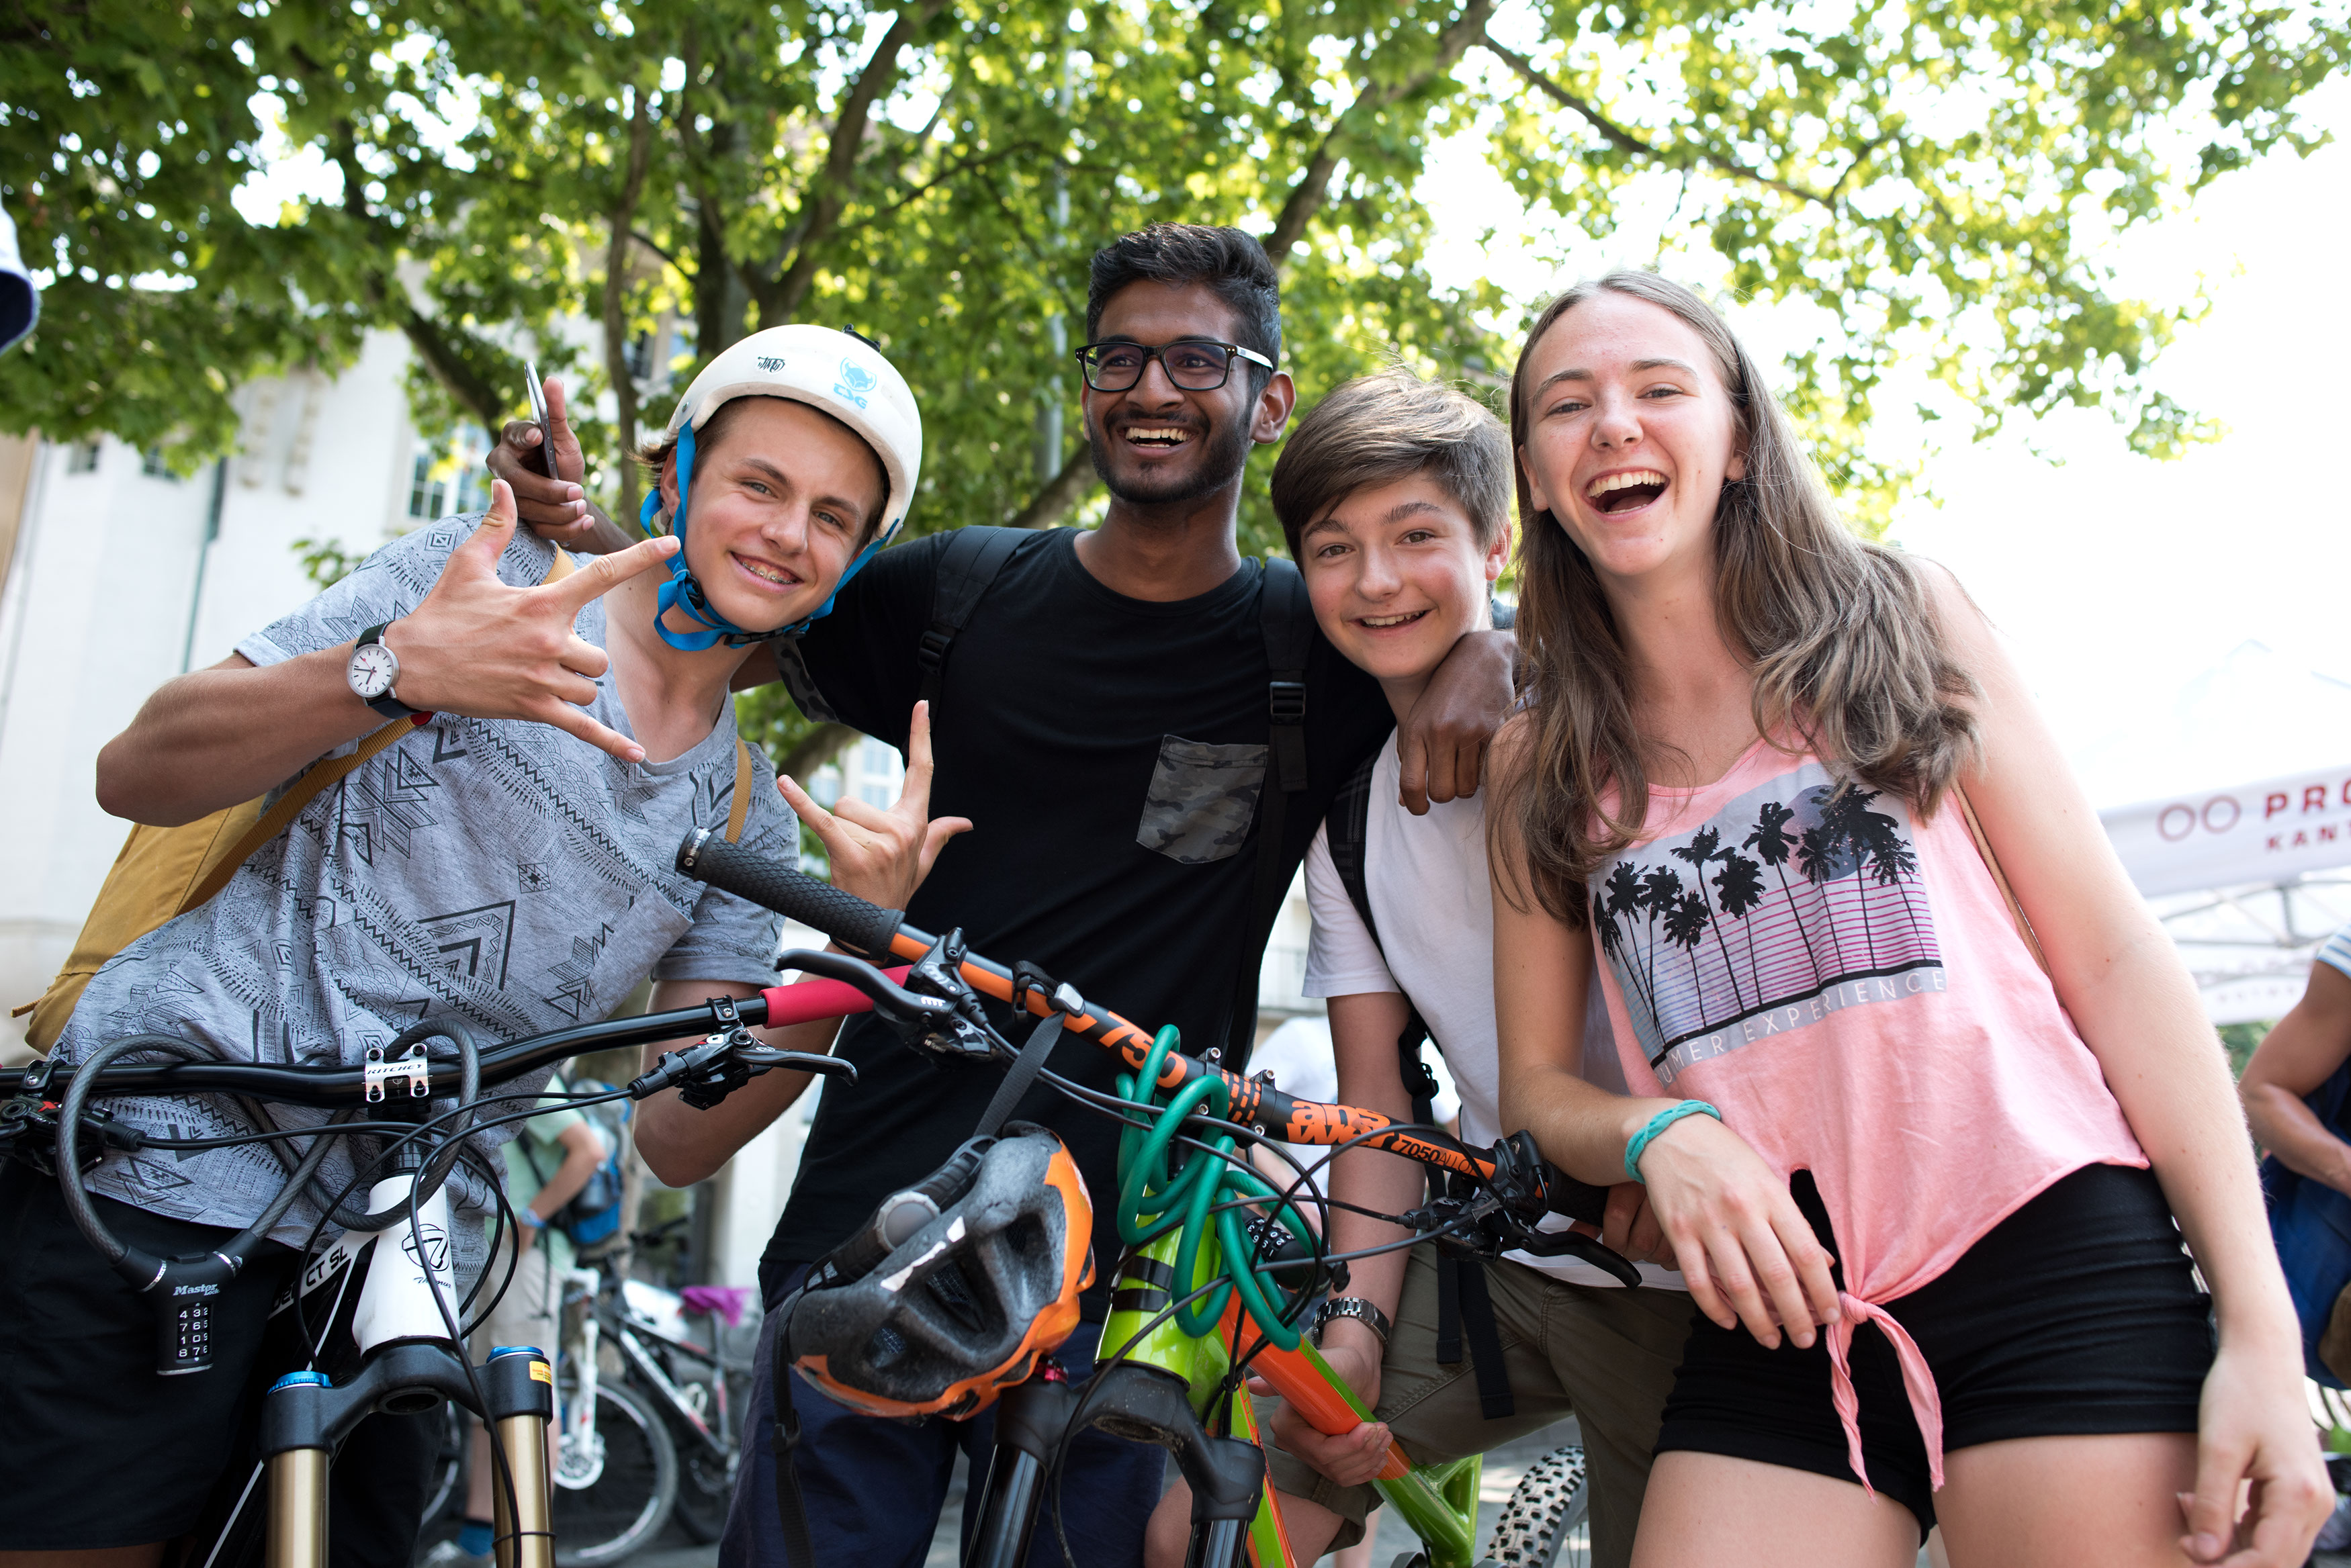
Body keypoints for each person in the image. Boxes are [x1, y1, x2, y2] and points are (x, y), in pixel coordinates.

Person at [490, 223, 1519, 1568]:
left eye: (1196, 358)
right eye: (1119, 356)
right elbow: (721, 601)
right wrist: (585, 532)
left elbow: (1468, 613)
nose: (1151, 388)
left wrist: (1495, 651)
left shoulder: (1311, 647)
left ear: (1266, 399)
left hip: (1127, 1259)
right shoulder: (948, 594)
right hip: (876, 1214)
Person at [0, 325, 950, 1568]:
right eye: (759, 484)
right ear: (675, 477)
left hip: (395, 1273)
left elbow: (676, 1137)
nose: (787, 532)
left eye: (834, 517)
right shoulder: (482, 585)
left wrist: (851, 958)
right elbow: (138, 770)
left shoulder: (740, 812)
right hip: (154, 1182)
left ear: (854, 562)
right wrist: (394, 671)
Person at [1484, 270, 2328, 1568]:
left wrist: (2264, 1335)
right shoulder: (1535, 757)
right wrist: (1659, 1130)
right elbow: (1537, 1086)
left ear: (1742, 438)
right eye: (1566, 405)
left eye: (1660, 390)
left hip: (2050, 1255)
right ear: (1538, 477)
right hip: (1779, 1316)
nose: (1614, 425)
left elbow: (2110, 958)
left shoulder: (1899, 615)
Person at [1146, 370, 1693, 1568]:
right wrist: (1351, 1327)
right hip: (1497, 1264)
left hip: (1680, 1281)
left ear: (1499, 542)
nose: (1378, 581)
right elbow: (1374, 1112)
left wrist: (1513, 644)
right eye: (1335, 549)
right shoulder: (1347, 829)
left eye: (1417, 537)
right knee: (1202, 1531)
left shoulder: (1625, 722)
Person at [426, 1076, 607, 1568]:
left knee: (522, 1395)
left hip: (522, 1255)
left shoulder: (533, 1081)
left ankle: (527, 1544)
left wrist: (531, 1215)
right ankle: (479, 1537)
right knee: (486, 1396)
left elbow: (588, 1151)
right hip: (487, 1250)